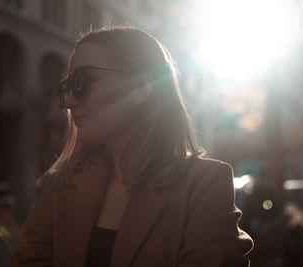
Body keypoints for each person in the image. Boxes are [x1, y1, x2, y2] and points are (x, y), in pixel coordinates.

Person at [13, 26, 253, 267]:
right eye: (65, 88)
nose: (69, 101)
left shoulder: (204, 185)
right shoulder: (63, 183)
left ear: (140, 89)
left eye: (82, 82)